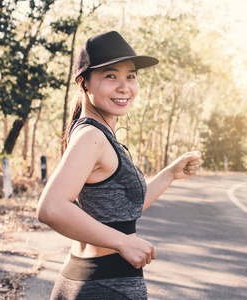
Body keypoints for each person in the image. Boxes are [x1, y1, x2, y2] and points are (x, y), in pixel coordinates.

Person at [37, 31, 201, 299]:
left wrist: (170, 173)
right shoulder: (92, 136)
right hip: (105, 284)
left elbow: (121, 208)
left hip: (87, 278)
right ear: (84, 84)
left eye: (131, 76)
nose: (124, 86)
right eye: (111, 76)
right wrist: (124, 242)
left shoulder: (97, 133)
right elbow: (51, 208)